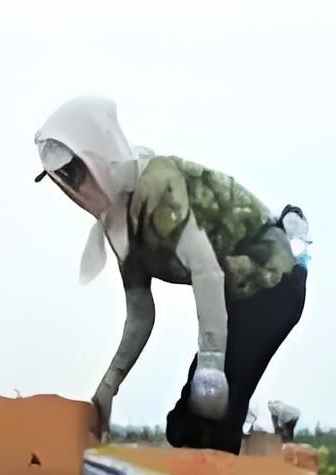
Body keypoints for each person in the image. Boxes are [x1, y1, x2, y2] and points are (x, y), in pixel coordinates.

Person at [35, 98, 306, 454]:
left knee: (207, 422)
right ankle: (265, 436)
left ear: (96, 153)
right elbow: (140, 313)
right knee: (186, 423)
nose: (72, 188)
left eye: (73, 172)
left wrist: (211, 363)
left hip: (271, 281)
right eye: (61, 179)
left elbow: (206, 270)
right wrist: (110, 385)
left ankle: (257, 445)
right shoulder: (120, 225)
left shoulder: (156, 184)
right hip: (237, 298)